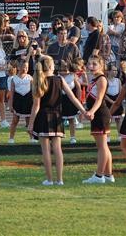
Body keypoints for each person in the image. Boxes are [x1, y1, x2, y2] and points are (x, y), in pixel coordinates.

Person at [28, 55, 89, 186]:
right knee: (58, 149)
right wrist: (83, 111)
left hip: (43, 117)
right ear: (51, 66)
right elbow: (73, 97)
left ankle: (49, 180)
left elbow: (36, 106)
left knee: (46, 150)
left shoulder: (39, 80)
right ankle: (60, 180)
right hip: (57, 116)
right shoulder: (59, 79)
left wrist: (31, 124)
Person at [82, 55, 114, 184]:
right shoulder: (94, 78)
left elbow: (100, 99)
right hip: (98, 114)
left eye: (94, 64)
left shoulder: (101, 79)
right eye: (89, 64)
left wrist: (91, 111)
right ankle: (108, 175)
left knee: (102, 147)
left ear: (101, 65)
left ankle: (99, 175)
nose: (91, 66)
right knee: (103, 146)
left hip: (100, 114)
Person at [8, 60, 32, 144]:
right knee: (15, 120)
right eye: (23, 67)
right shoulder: (14, 79)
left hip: (28, 101)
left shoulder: (30, 78)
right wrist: (10, 105)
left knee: (29, 120)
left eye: (27, 67)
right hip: (18, 101)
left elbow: (33, 91)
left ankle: (32, 138)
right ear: (18, 67)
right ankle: (11, 138)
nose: (25, 69)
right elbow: (11, 93)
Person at [59, 61, 82, 144]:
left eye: (66, 66)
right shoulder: (57, 76)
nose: (65, 68)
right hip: (60, 99)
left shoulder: (73, 75)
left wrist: (78, 100)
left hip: (71, 100)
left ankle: (73, 137)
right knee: (59, 119)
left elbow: (78, 88)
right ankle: (59, 136)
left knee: (71, 119)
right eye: (63, 66)